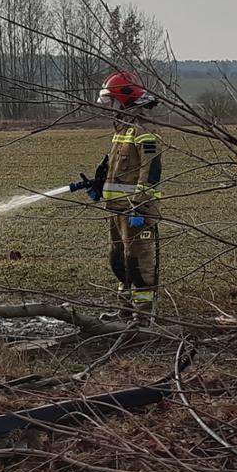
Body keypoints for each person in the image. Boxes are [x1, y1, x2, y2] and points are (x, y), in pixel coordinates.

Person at [70, 70, 163, 319]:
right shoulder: (122, 129)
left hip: (135, 213)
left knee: (139, 264)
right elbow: (119, 168)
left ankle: (143, 317)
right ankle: (124, 311)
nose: (109, 107)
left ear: (123, 99)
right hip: (116, 210)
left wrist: (140, 207)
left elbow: (150, 172)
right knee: (119, 262)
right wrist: (100, 183)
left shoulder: (143, 130)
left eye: (112, 101)